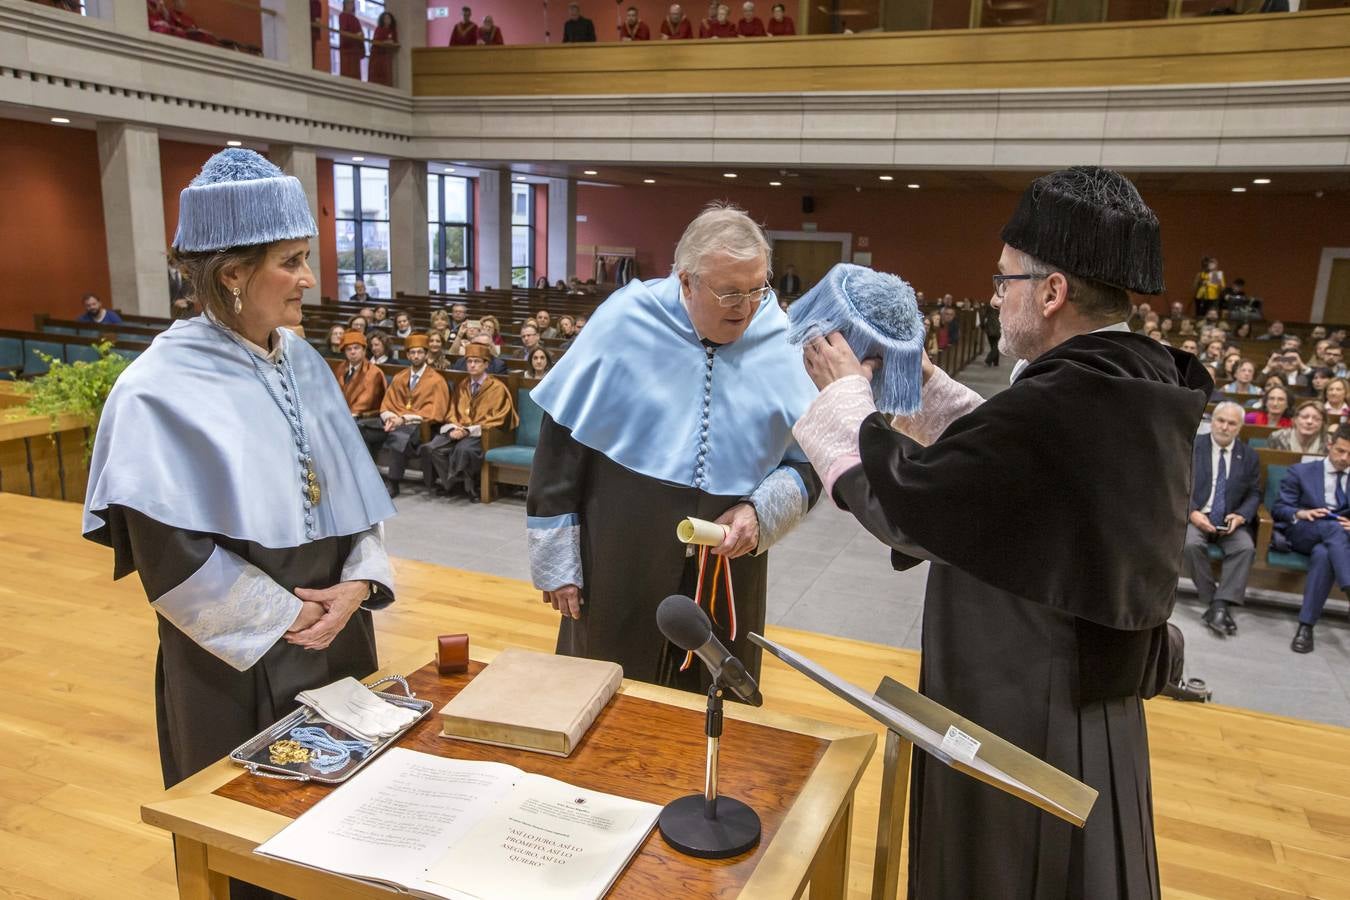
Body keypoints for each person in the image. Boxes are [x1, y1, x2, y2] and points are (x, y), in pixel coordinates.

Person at [794, 166, 1210, 899]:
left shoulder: (1066, 400)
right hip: (1082, 687)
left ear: (1051, 292)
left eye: (1004, 278)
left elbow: (913, 505)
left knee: (1007, 872)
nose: (994, 294)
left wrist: (845, 400)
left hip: (1026, 698)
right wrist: (921, 387)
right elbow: (1015, 475)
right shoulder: (1125, 376)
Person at [82, 147, 397, 807]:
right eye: (291, 261)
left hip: (341, 634)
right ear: (231, 274)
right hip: (234, 660)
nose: (309, 278)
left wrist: (358, 586)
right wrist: (289, 615)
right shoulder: (155, 391)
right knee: (253, 828)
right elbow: (170, 557)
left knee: (349, 816)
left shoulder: (307, 362)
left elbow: (354, 501)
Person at [526, 203, 821, 690]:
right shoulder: (625, 320)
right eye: (729, 292)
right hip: (620, 545)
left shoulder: (779, 336)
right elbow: (560, 448)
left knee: (716, 690)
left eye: (757, 289)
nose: (746, 307)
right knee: (606, 686)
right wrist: (557, 565)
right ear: (686, 281)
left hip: (729, 560)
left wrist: (760, 512)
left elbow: (807, 464)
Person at [1183, 401, 1260, 637]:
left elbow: (1255, 493)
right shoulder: (1193, 447)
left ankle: (1219, 605)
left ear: (1239, 428)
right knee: (1190, 544)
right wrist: (1193, 513)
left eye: (1231, 423)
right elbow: (1177, 484)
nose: (1225, 427)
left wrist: (1241, 516)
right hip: (1197, 515)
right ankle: (1215, 601)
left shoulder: (1248, 455)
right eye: (1221, 420)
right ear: (1212, 421)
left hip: (1230, 521)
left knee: (1245, 547)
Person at [1272, 431, 1350, 653]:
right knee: (1332, 530)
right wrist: (1302, 513)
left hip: (1338, 542)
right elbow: (1280, 508)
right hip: (1304, 531)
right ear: (1329, 445)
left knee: (1324, 554)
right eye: (1340, 451)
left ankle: (1305, 627)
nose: (1345, 458)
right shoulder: (1302, 471)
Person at [419, 344, 518, 501]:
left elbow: (499, 417)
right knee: (430, 448)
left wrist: (468, 431)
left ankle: (468, 487)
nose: (472, 365)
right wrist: (453, 427)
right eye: (469, 361)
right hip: (458, 430)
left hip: (482, 434)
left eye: (477, 361)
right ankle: (452, 483)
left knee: (464, 450)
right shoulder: (462, 385)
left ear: (486, 364)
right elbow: (452, 410)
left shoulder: (497, 388)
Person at [366, 334, 450, 497]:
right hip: (394, 420)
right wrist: (390, 417)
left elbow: (436, 412)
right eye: (412, 352)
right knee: (362, 430)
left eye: (419, 352)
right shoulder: (400, 377)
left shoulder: (436, 380)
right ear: (407, 355)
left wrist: (403, 419)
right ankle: (368, 476)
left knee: (399, 435)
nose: (416, 356)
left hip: (419, 427)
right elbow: (387, 403)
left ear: (426, 354)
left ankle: (393, 482)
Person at [337, 331, 387, 418]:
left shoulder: (374, 373)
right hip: (340, 414)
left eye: (356, 348)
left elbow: (365, 402)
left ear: (364, 350)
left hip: (361, 418)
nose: (352, 352)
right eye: (348, 349)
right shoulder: (340, 368)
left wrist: (345, 415)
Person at [368, 11, 398, 86]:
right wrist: (385, 42)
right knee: (377, 73)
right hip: (377, 55)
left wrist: (393, 43)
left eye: (389, 18)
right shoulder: (379, 29)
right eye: (385, 18)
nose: (387, 20)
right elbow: (376, 41)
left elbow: (395, 41)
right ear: (382, 20)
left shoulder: (392, 31)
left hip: (386, 55)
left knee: (386, 74)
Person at [337, 0, 365, 80]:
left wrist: (360, 36)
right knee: (348, 72)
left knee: (356, 73)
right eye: (349, 3)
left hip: (355, 49)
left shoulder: (356, 19)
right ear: (344, 5)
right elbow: (344, 31)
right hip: (347, 48)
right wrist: (356, 35)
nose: (351, 5)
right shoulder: (342, 16)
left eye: (352, 3)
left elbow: (361, 33)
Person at [980, 299, 1000, 366]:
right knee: (996, 346)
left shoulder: (989, 305)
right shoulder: (1003, 305)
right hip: (999, 327)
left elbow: (982, 316)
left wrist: (982, 326)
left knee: (993, 345)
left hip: (990, 327)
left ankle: (992, 361)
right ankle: (992, 361)